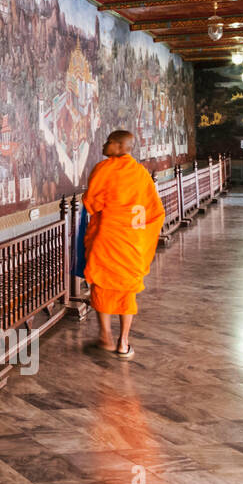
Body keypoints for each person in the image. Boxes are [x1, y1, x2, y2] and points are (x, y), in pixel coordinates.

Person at [82, 129, 164, 359]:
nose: (104, 145)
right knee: (127, 292)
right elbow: (155, 211)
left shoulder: (104, 169)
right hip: (132, 244)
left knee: (101, 285)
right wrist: (143, 237)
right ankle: (123, 341)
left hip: (107, 241)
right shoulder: (141, 173)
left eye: (108, 142)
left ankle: (105, 336)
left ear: (119, 146)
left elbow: (91, 204)